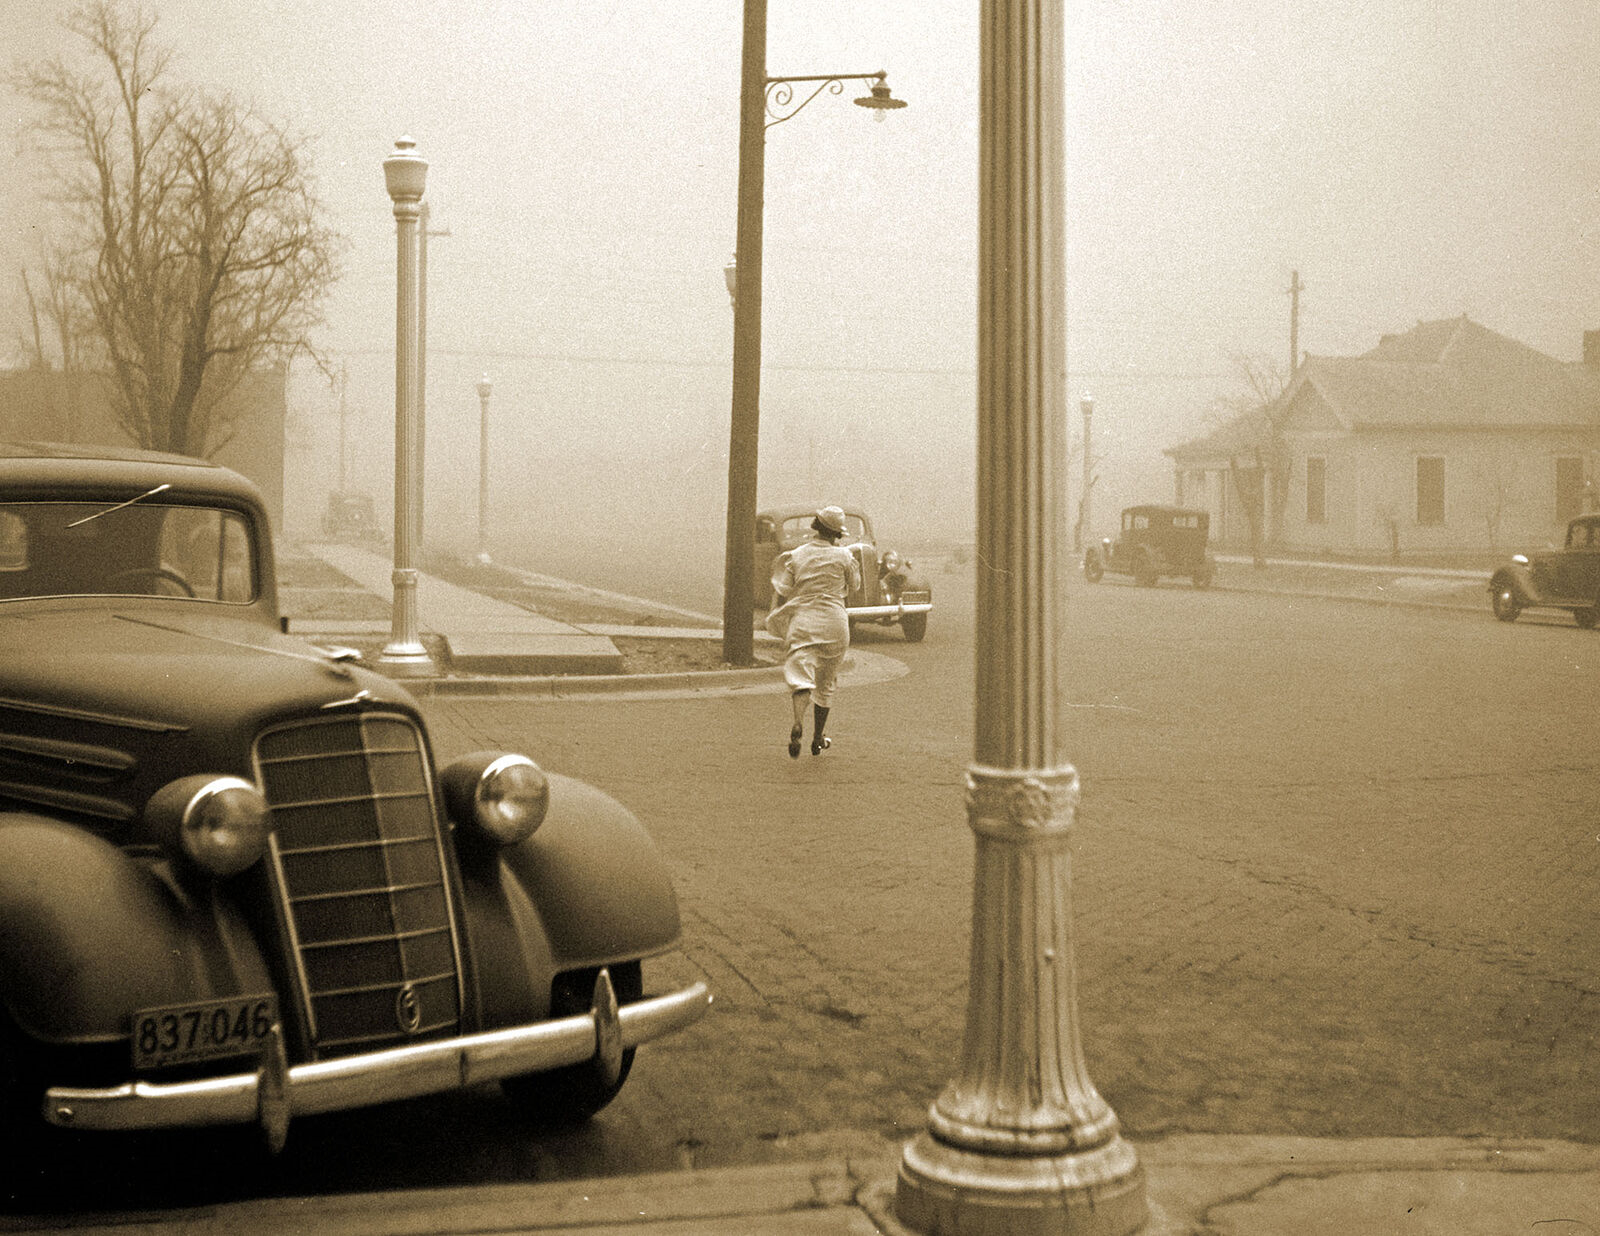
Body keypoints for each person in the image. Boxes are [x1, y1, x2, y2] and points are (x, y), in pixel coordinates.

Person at [765, 505, 862, 758]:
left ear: (816, 527)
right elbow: (854, 586)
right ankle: (818, 737)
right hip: (835, 623)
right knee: (826, 682)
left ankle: (798, 722)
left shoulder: (796, 555)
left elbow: (784, 589)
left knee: (801, 675)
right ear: (837, 533)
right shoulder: (844, 556)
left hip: (804, 621)